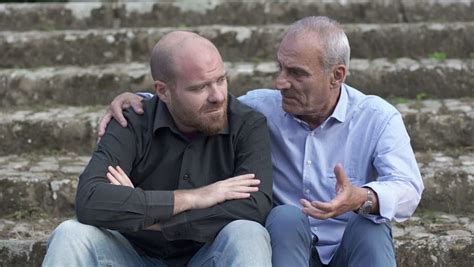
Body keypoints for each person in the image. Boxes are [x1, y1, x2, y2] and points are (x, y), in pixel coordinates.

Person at [99, 16, 424, 266]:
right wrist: (139, 102)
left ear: (336, 75)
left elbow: (408, 187)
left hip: (349, 247)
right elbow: (200, 105)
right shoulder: (260, 108)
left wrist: (362, 197)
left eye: (297, 73)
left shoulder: (377, 117)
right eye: (280, 68)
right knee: (285, 215)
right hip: (286, 247)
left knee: (372, 225)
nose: (281, 82)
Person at [42, 31, 273, 267]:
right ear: (163, 91)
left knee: (248, 233)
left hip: (208, 257)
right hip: (132, 257)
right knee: (70, 234)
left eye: (221, 80)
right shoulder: (131, 122)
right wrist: (196, 198)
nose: (218, 96)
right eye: (200, 88)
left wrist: (152, 219)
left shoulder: (246, 124)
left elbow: (255, 206)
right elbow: (90, 200)